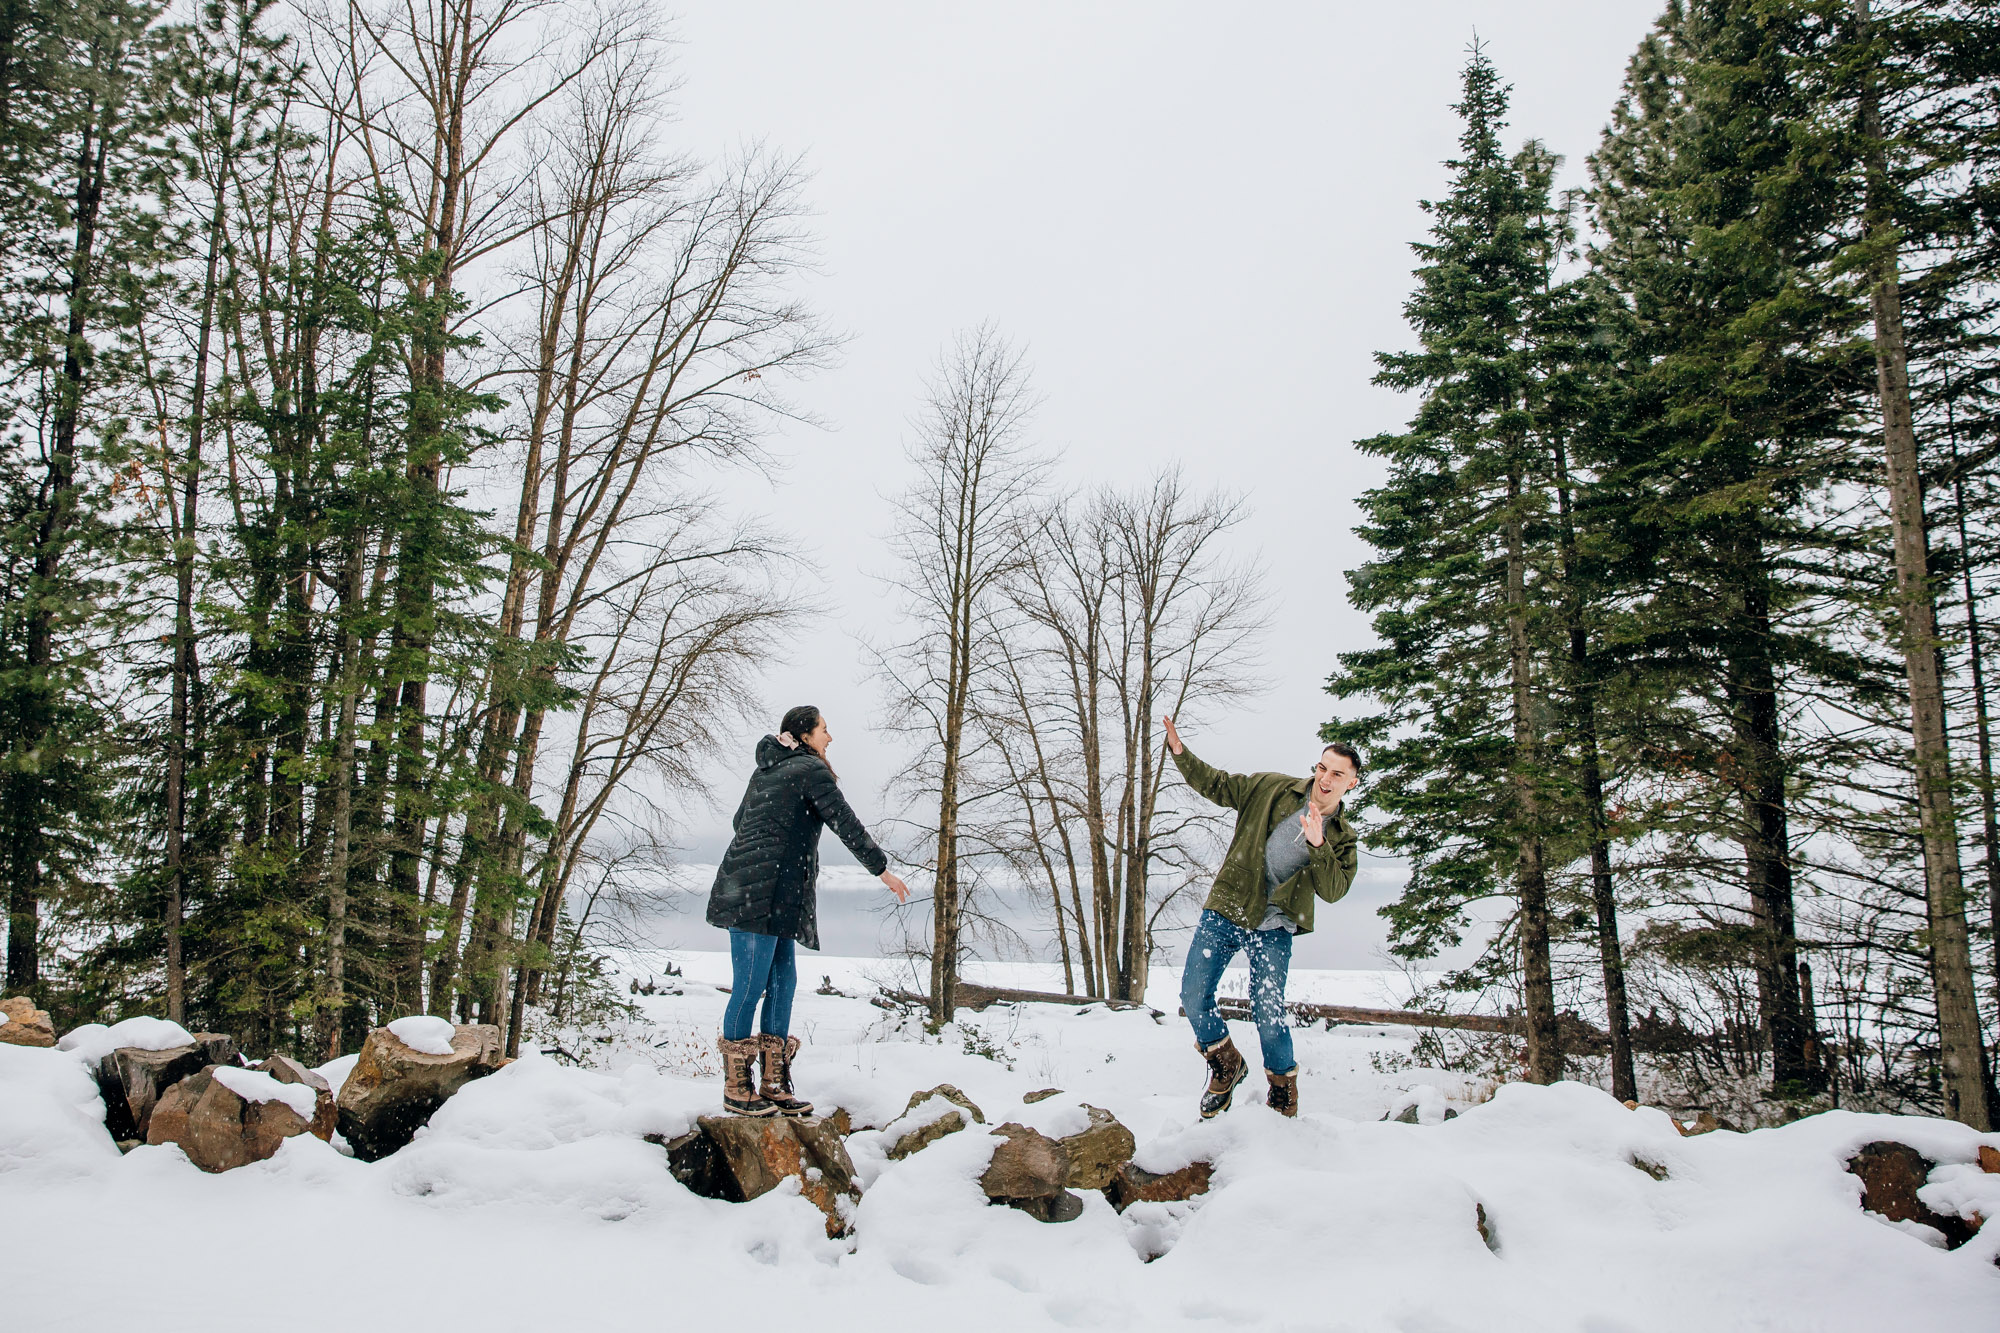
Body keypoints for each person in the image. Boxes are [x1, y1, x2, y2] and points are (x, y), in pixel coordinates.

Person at [706, 705, 910, 1116]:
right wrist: (881, 870)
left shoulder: (769, 770)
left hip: (776, 892)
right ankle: (736, 1087)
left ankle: (773, 1082)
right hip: (754, 890)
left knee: (783, 982)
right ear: (802, 735)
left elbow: (739, 822)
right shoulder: (810, 770)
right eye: (824, 730)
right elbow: (844, 821)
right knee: (749, 986)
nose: (829, 738)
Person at [1164, 713, 1360, 1119]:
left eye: (1337, 774)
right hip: (1228, 907)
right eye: (1323, 768)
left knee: (1269, 1015)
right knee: (1192, 997)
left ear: (1351, 783)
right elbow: (1219, 785)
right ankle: (1226, 1063)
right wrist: (1181, 753)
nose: (1326, 778)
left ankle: (1282, 1094)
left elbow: (1334, 890)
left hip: (1274, 926)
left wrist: (1318, 843)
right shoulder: (1272, 788)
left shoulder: (1343, 836)